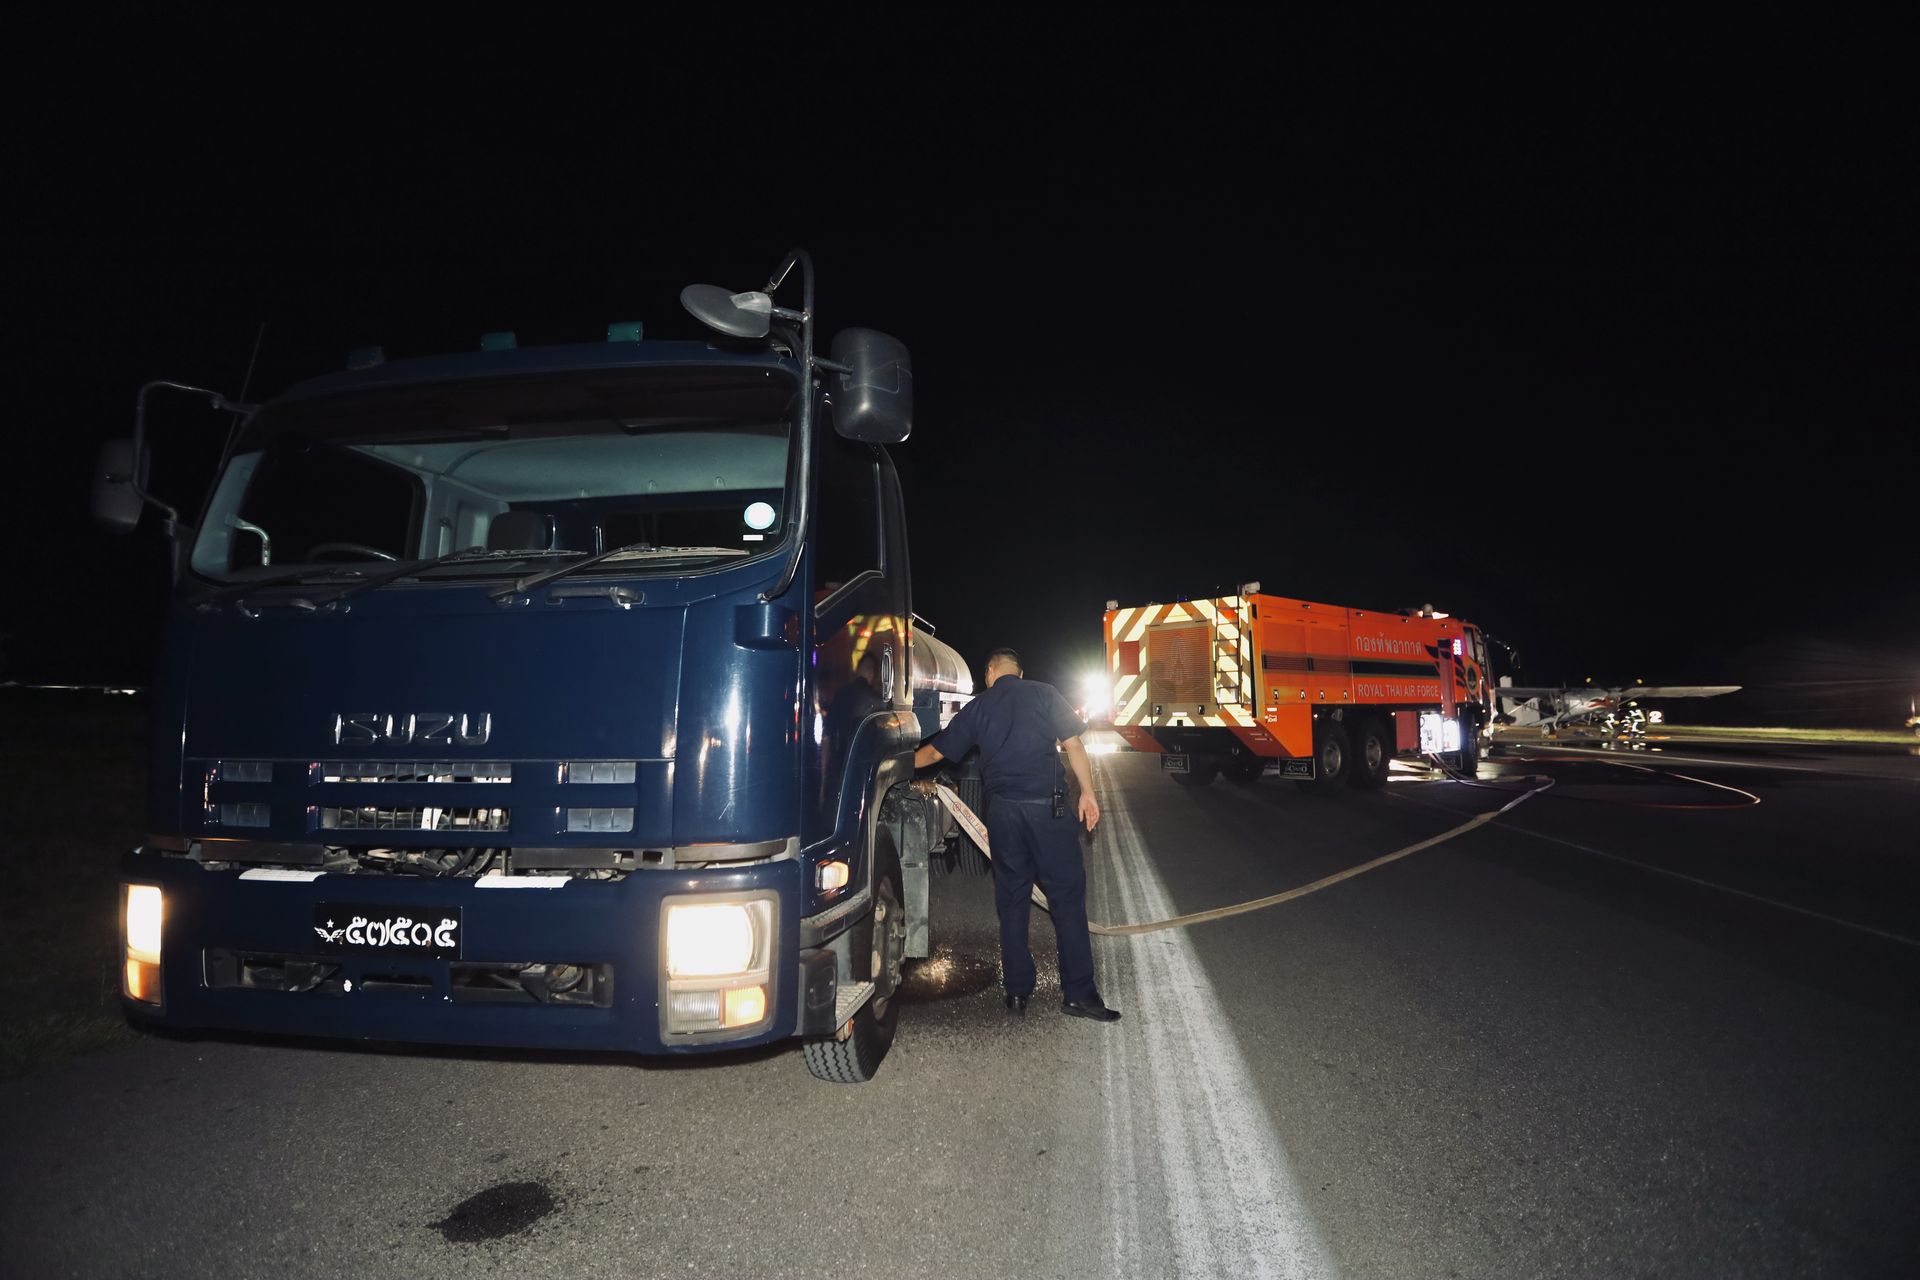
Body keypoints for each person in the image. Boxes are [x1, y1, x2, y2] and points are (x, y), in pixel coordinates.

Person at [913, 648, 1120, 1022]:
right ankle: (1079, 995)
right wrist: (1088, 793)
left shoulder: (980, 705)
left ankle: (1017, 992)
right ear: (1020, 673)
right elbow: (1074, 744)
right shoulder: (1044, 693)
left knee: (1012, 900)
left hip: (1004, 814)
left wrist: (893, 762)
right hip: (1048, 812)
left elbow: (935, 754)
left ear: (990, 672)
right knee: (1067, 898)